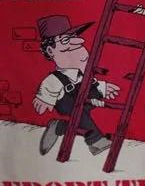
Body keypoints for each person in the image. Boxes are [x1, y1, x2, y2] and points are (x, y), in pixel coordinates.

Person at [32, 15, 119, 159]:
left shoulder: (81, 71)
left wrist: (101, 87)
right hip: (67, 101)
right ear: (50, 51)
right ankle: (96, 141)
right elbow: (46, 91)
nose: (76, 42)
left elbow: (90, 81)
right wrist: (44, 100)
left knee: (81, 114)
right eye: (65, 40)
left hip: (84, 97)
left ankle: (60, 127)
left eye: (73, 36)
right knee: (78, 110)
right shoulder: (55, 79)